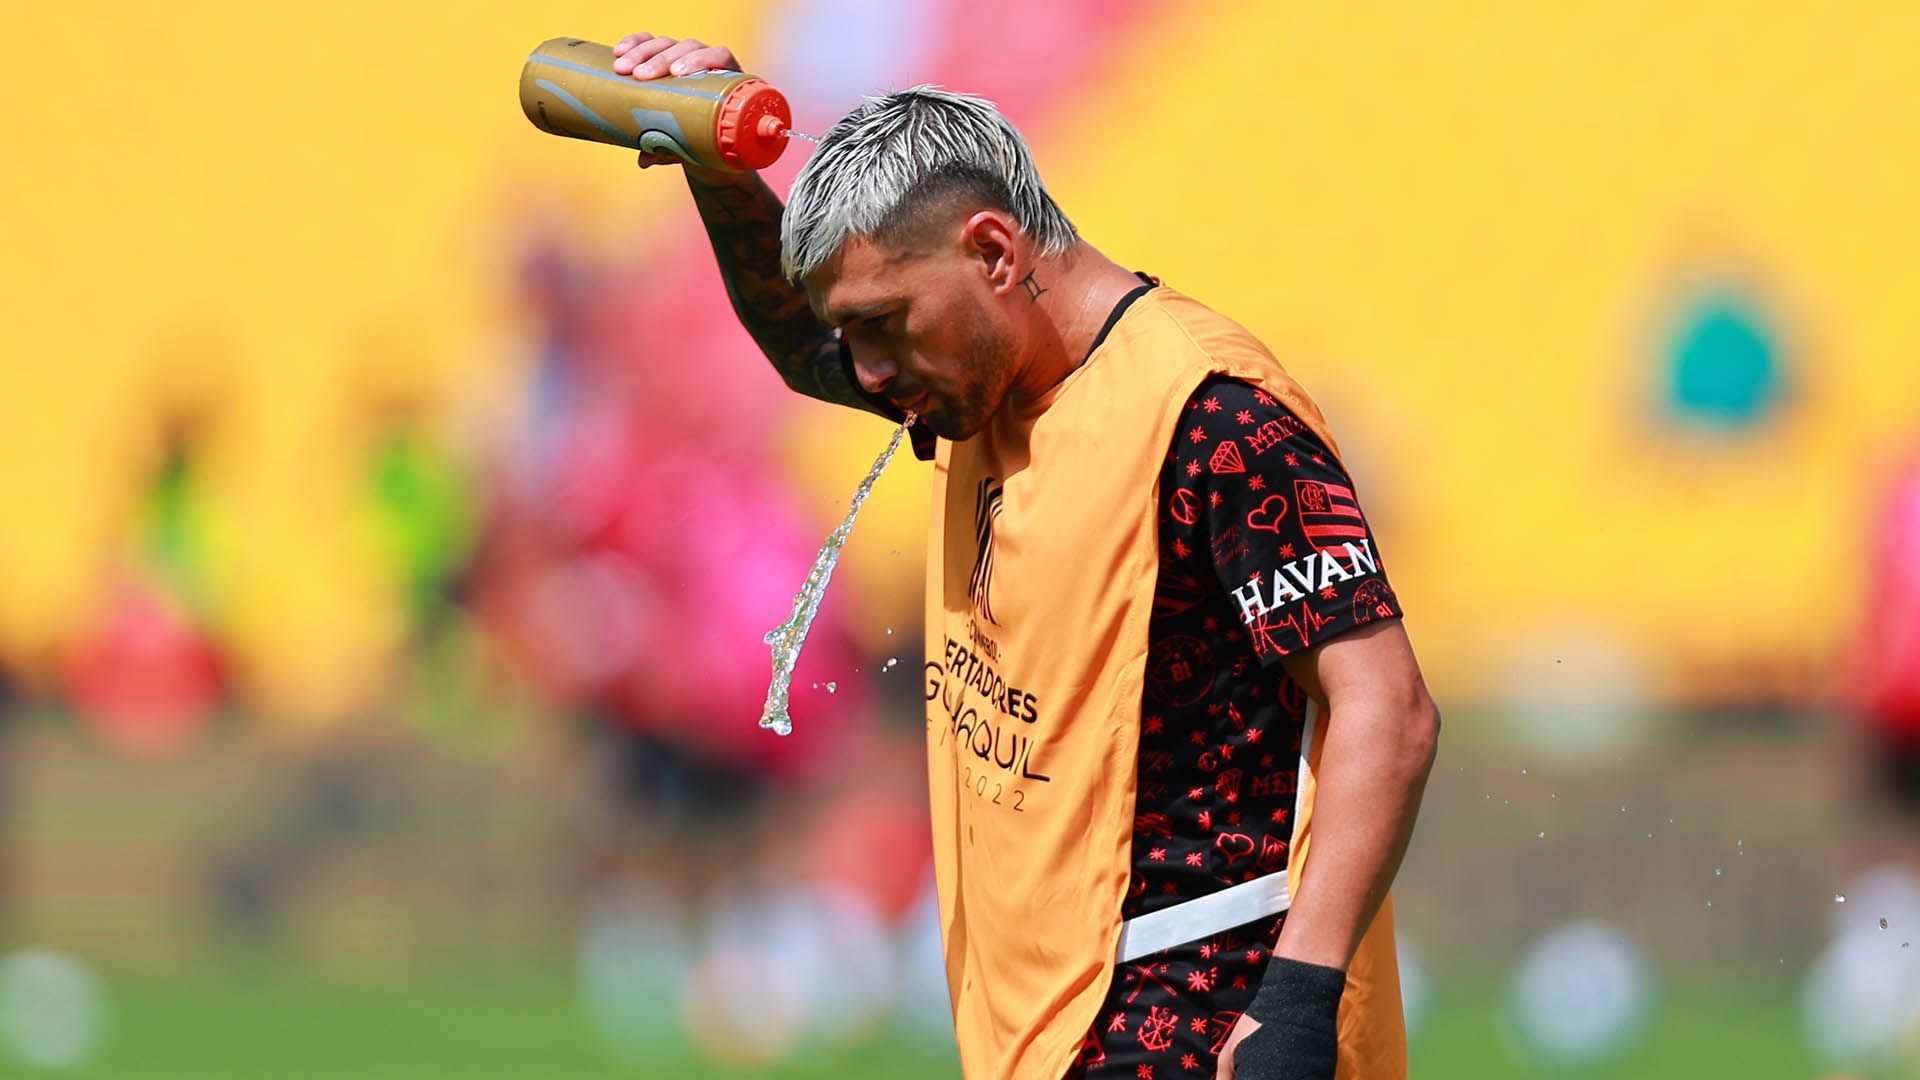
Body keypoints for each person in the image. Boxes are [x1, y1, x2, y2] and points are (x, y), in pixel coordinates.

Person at [608, 31, 1442, 1080]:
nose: (864, 370)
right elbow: (799, 346)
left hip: (1203, 1016)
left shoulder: (1215, 419)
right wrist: (716, 171)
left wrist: (1298, 1004)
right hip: (1054, 1031)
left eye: (881, 325)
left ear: (996, 254)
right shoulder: (967, 375)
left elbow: (1388, 708)